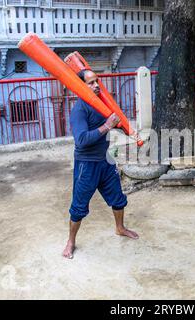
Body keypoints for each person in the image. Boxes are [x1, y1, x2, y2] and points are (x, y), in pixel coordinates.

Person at [63, 69, 138, 259]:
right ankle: (71, 241)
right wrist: (107, 126)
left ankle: (120, 228)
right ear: (81, 86)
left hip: (106, 160)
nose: (96, 85)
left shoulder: (102, 103)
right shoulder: (79, 109)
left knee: (118, 198)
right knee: (78, 207)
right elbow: (81, 140)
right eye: (90, 83)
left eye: (97, 81)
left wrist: (126, 129)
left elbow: (114, 124)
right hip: (86, 165)